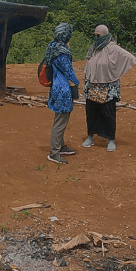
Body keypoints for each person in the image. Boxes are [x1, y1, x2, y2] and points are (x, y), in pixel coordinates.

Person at [82, 25, 136, 152]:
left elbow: (129, 58)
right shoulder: (94, 48)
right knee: (91, 112)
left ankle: (111, 140)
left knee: (108, 113)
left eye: (98, 35)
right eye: (94, 35)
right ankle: (90, 137)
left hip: (107, 88)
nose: (96, 38)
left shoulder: (113, 48)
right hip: (93, 86)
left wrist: (115, 72)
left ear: (105, 35)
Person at [44, 22, 80, 164]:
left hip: (55, 87)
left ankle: (61, 145)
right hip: (62, 90)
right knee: (60, 121)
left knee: (59, 118)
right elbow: (69, 72)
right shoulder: (62, 53)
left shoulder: (52, 46)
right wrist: (77, 83)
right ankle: (54, 152)